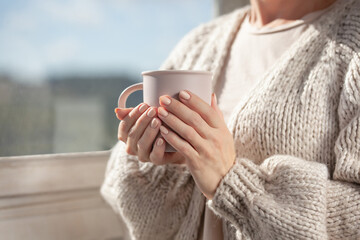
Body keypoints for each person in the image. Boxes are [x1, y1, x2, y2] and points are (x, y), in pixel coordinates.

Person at [101, 0, 360, 239]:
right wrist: (160, 159)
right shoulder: (200, 42)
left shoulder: (353, 41)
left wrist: (233, 182)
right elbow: (124, 188)